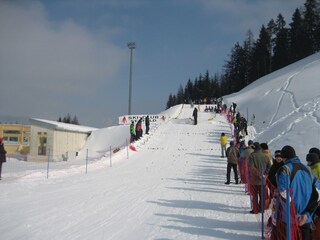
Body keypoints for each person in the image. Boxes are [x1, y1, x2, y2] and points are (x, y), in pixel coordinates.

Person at [276, 145, 315, 240]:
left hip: (290, 220)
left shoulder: (285, 170)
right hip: (306, 219)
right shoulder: (309, 170)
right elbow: (317, 194)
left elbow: (283, 194)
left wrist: (294, 215)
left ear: (284, 157)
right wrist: (307, 214)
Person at [248, 142, 271, 213]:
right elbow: (269, 166)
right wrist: (265, 174)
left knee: (255, 195)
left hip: (254, 179)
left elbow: (251, 167)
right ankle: (262, 208)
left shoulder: (251, 156)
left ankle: (255, 209)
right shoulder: (266, 156)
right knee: (262, 195)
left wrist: (259, 174)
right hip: (263, 179)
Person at [306, 152, 320, 240]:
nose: (307, 163)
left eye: (309, 161)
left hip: (317, 197)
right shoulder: (315, 167)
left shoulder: (315, 170)